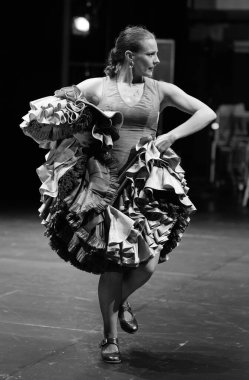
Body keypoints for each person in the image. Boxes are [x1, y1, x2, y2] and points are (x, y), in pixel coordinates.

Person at [20, 25, 216, 364]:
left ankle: (121, 302)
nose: (156, 60)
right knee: (112, 266)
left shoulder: (160, 89)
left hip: (144, 186)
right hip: (105, 184)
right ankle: (109, 339)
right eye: (150, 54)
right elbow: (61, 104)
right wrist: (66, 101)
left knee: (148, 263)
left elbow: (206, 112)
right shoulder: (98, 86)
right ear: (130, 56)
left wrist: (170, 136)